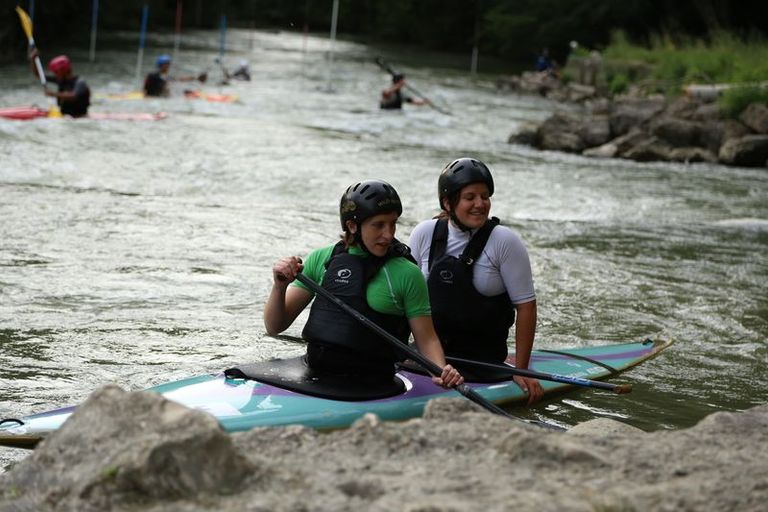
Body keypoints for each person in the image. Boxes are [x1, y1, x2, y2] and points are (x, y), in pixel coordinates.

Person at [264, 179, 463, 388]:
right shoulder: (321, 259)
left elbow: (427, 340)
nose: (389, 234)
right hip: (314, 375)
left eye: (393, 223)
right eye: (378, 225)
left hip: (373, 385)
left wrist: (441, 370)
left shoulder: (407, 273)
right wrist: (280, 286)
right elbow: (274, 326)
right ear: (352, 226)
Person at [408, 158, 544, 404]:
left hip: (483, 367)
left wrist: (521, 370)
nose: (480, 204)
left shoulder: (504, 242)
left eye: (485, 196)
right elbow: (405, 298)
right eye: (470, 197)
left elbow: (526, 307)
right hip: (427, 362)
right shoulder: (424, 234)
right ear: (448, 203)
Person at [28, 50, 90, 118]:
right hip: (65, 115)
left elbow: (73, 96)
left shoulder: (80, 83)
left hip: (79, 116)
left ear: (62, 71)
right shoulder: (61, 79)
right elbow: (38, 74)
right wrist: (33, 59)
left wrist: (53, 94)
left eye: (56, 72)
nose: (55, 75)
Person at [143, 54, 207, 97]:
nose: (168, 66)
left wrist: (197, 78)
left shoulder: (165, 76)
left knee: (185, 91)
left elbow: (180, 79)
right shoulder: (153, 76)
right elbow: (146, 89)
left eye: (168, 64)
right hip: (154, 97)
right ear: (161, 65)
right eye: (166, 64)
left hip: (160, 96)